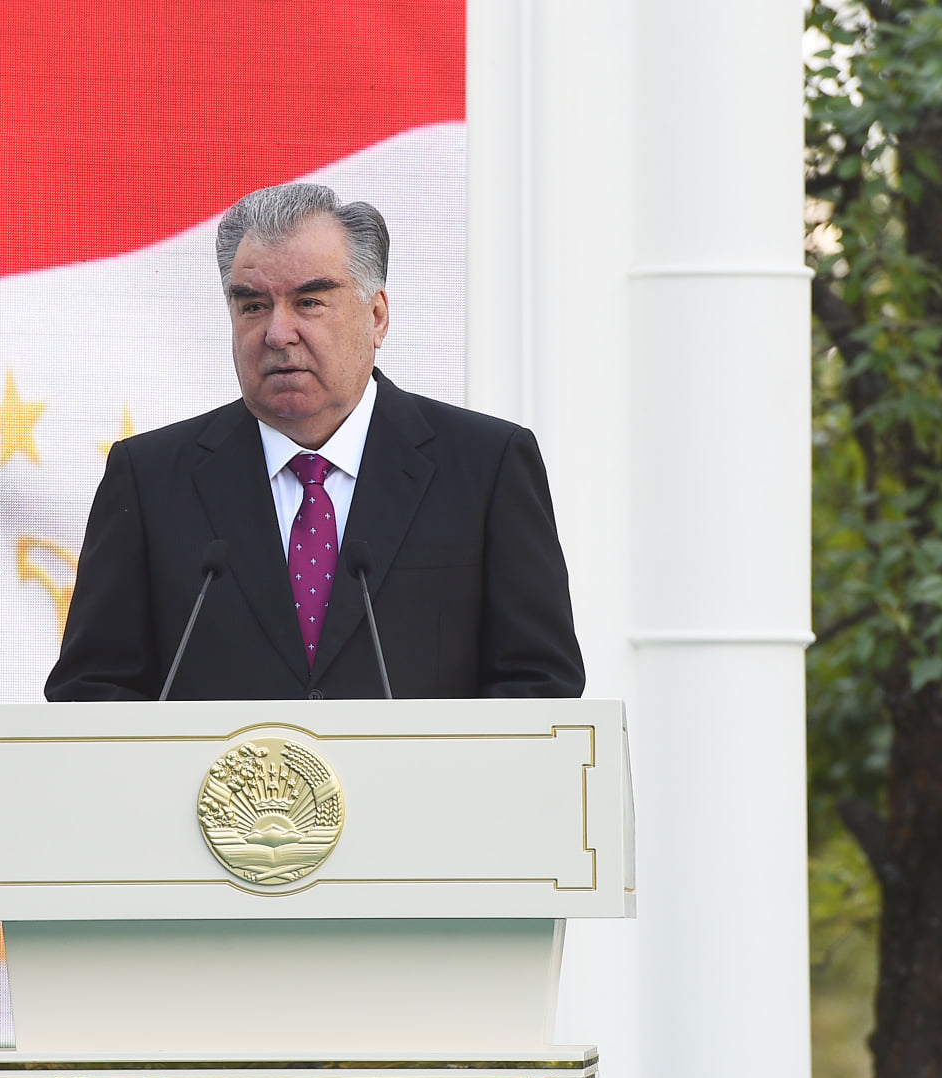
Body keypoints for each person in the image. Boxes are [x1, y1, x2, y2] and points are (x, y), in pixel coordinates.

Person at [44, 183, 584, 701]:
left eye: (309, 302)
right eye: (253, 306)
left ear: (377, 316)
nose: (278, 333)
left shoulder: (486, 468)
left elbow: (540, 687)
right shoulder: (150, 480)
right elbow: (92, 694)